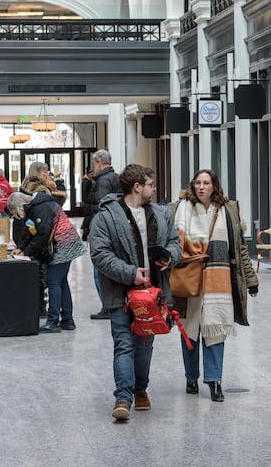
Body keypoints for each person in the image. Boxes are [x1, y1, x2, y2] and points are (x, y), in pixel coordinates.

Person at [89, 164, 180, 421]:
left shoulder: (160, 214)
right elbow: (99, 254)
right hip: (121, 294)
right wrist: (130, 273)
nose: (154, 188)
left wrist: (169, 257)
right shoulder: (106, 217)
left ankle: (141, 389)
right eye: (150, 184)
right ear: (137, 187)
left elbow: (175, 242)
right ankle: (123, 397)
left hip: (153, 294)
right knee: (124, 344)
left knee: (145, 344)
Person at [170, 169, 259, 402]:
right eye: (197, 183)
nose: (201, 187)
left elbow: (239, 248)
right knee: (190, 330)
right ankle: (191, 376)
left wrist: (250, 279)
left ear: (214, 186)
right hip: (189, 277)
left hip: (219, 279)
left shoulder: (228, 210)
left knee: (215, 328)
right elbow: (171, 244)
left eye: (206, 183)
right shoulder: (180, 209)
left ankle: (214, 381)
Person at [9, 191, 86, 333]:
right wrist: (21, 249)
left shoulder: (40, 208)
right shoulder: (36, 208)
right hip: (68, 243)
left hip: (62, 245)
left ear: (21, 206)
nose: (19, 217)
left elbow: (43, 234)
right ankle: (68, 320)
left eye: (16, 213)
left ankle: (53, 321)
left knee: (53, 282)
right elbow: (31, 232)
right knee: (61, 282)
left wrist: (27, 252)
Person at [82, 149, 120, 320]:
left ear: (98, 162)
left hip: (103, 232)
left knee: (100, 270)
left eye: (93, 164)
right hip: (112, 229)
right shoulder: (113, 177)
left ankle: (107, 307)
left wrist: (92, 230)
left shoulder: (103, 181)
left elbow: (102, 207)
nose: (92, 167)